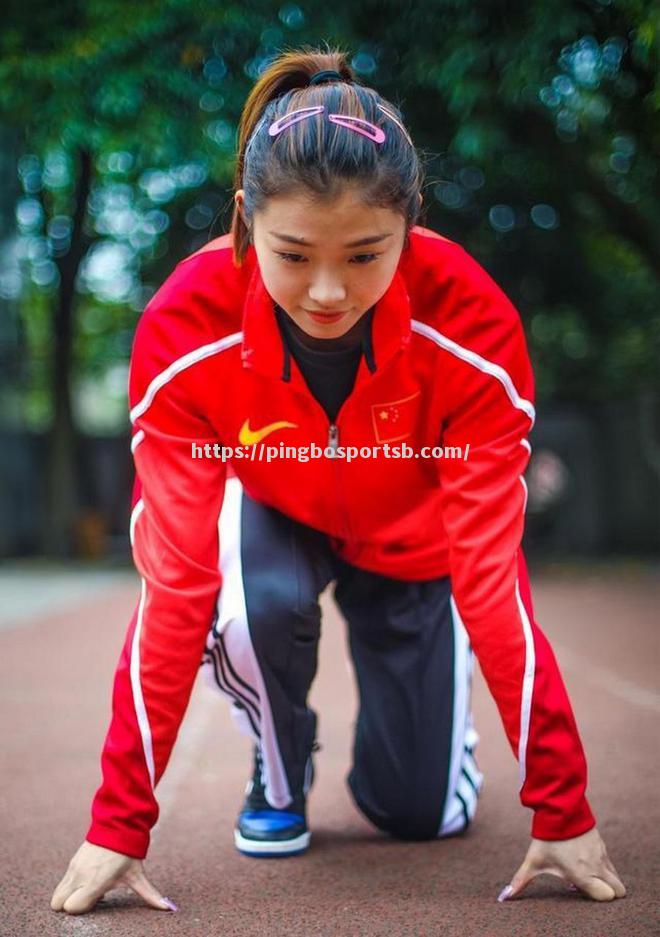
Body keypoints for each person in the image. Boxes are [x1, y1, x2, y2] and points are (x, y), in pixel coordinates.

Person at [51, 47, 626, 916]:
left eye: (365, 255)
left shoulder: (470, 327)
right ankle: (280, 764)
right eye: (291, 254)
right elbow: (174, 586)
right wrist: (117, 823)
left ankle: (428, 739)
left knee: (419, 816)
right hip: (274, 511)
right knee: (253, 605)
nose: (327, 291)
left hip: (411, 539)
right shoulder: (185, 329)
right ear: (245, 221)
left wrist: (563, 804)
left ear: (411, 223)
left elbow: (492, 578)